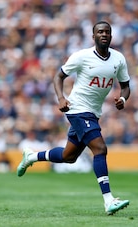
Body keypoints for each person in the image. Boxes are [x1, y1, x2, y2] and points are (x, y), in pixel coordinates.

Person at [16, 21, 131, 215]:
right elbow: (58, 76)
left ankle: (31, 156)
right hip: (77, 109)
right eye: (100, 32)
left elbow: (126, 86)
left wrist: (122, 99)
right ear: (93, 36)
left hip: (93, 112)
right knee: (100, 148)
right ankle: (108, 200)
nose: (104, 34)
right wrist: (61, 98)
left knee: (68, 156)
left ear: (111, 36)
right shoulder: (81, 56)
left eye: (107, 32)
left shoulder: (118, 59)